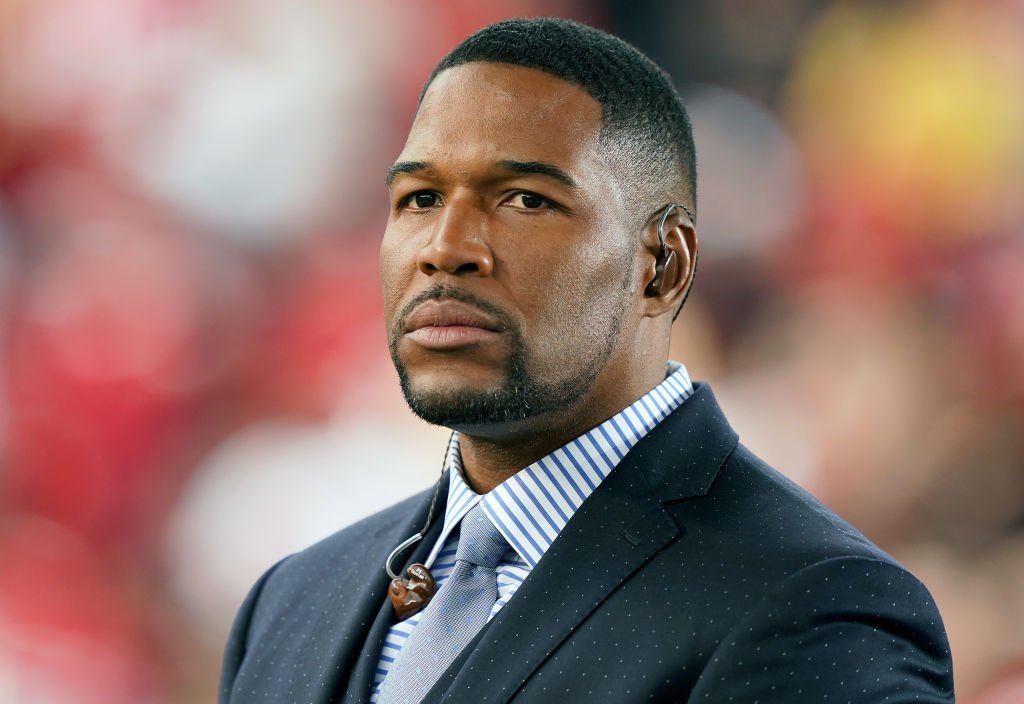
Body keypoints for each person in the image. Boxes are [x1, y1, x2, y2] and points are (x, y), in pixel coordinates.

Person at [219, 18, 954, 704]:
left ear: (663, 265)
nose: (445, 248)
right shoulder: (290, 601)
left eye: (524, 200)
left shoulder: (818, 607)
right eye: (418, 198)